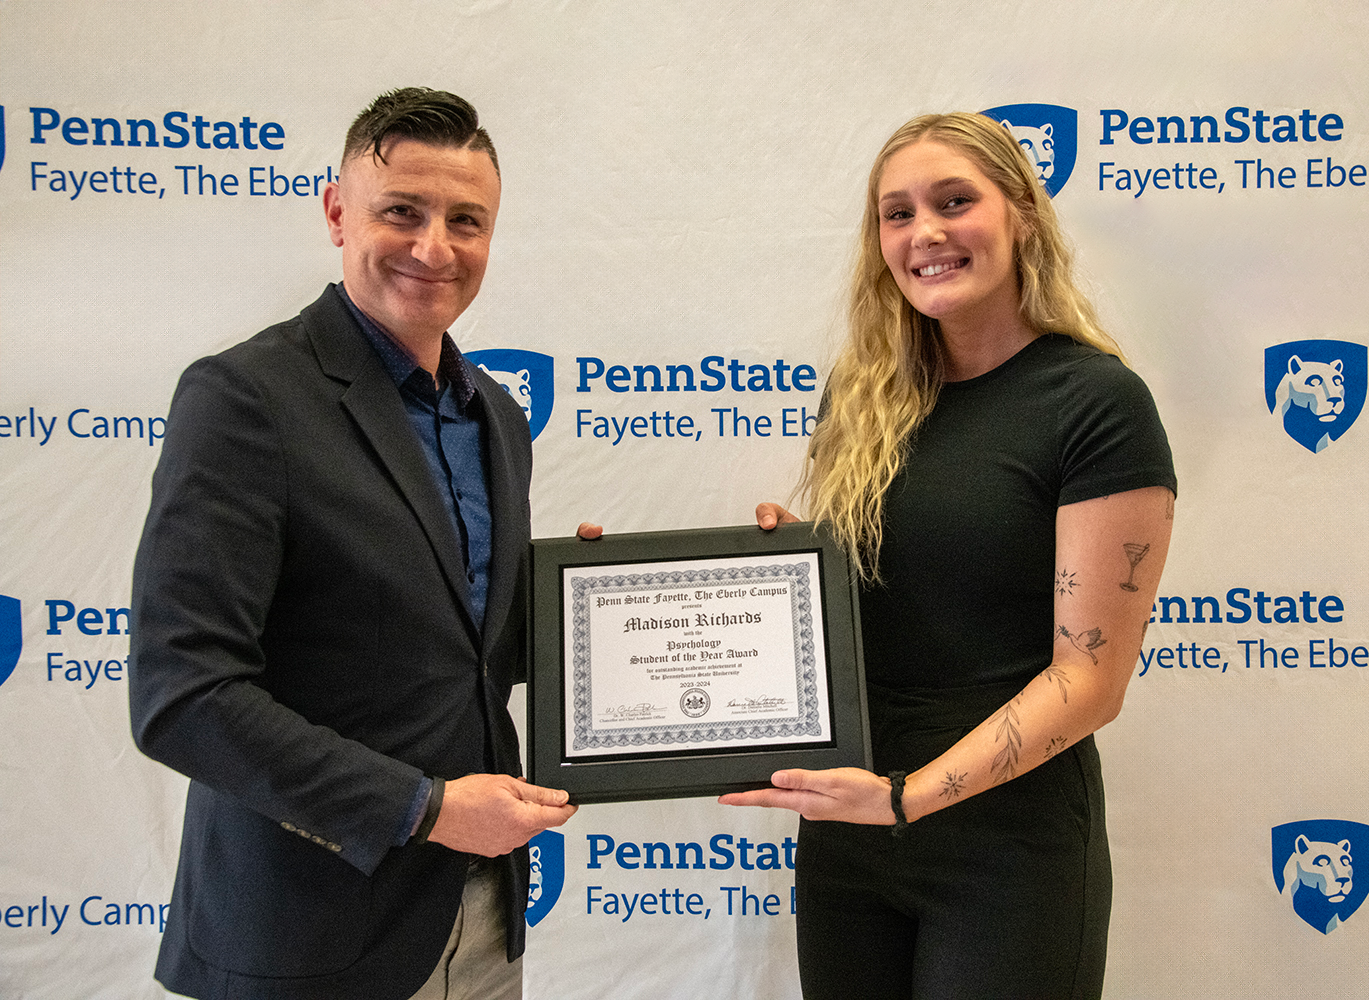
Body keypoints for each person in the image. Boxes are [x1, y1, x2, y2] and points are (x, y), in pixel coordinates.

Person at [129, 88, 585, 1000]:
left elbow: (462, 645)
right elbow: (184, 693)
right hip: (306, 934)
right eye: (401, 212)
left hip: (480, 923)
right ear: (338, 213)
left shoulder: (492, 413)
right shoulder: (246, 398)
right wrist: (424, 808)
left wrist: (659, 591)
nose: (433, 247)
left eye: (466, 220)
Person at [721, 112, 1176, 999]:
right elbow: (889, 609)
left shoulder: (1094, 403)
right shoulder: (863, 400)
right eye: (897, 214)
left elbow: (1090, 680)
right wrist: (765, 580)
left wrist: (908, 798)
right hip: (848, 834)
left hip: (1008, 851)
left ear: (1022, 218)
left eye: (954, 202)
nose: (924, 233)